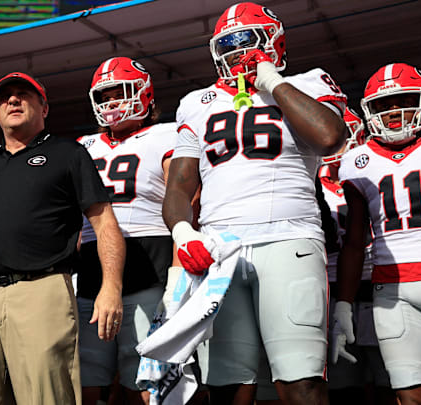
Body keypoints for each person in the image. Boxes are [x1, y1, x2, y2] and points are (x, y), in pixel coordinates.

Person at [162, 2, 348, 404]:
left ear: (274, 42)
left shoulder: (309, 81)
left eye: (245, 42)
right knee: (227, 384)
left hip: (289, 239)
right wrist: (182, 233)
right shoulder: (196, 102)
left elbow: (330, 136)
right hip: (220, 250)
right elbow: (178, 187)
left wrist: (271, 81)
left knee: (300, 381)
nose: (235, 54)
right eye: (226, 46)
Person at [0, 72, 126, 405]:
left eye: (23, 94)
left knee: (46, 398)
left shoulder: (68, 154)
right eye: (5, 97)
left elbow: (104, 224)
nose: (13, 100)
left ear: (44, 108)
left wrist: (111, 286)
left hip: (42, 291)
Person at [335, 62, 421, 405]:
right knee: (409, 392)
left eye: (403, 99)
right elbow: (354, 242)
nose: (394, 110)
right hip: (391, 289)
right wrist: (344, 303)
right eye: (384, 104)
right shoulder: (356, 160)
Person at [77, 56, 178, 405]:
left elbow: (186, 202)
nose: (112, 103)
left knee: (144, 374)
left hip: (148, 262)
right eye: (104, 96)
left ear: (145, 93)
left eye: (120, 92)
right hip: (91, 266)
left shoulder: (168, 134)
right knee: (87, 373)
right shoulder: (83, 146)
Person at [320, 108, 395, 405]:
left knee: (391, 380)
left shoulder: (375, 178)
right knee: (342, 387)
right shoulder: (311, 188)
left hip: (378, 292)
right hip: (333, 297)